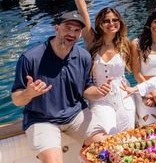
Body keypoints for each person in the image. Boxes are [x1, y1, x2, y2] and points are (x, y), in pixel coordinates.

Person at [11, 12, 112, 163]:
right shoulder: (30, 58)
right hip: (42, 119)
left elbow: (86, 89)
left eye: (76, 30)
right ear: (56, 28)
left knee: (108, 148)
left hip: (75, 115)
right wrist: (29, 93)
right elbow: (16, 100)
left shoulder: (83, 57)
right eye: (67, 28)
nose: (72, 33)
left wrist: (97, 92)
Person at [71, 0, 136, 134]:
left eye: (115, 20)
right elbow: (83, 13)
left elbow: (137, 70)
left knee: (127, 136)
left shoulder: (126, 44)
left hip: (123, 97)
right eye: (106, 21)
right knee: (107, 135)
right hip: (99, 99)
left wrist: (143, 90)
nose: (111, 23)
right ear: (100, 24)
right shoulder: (92, 41)